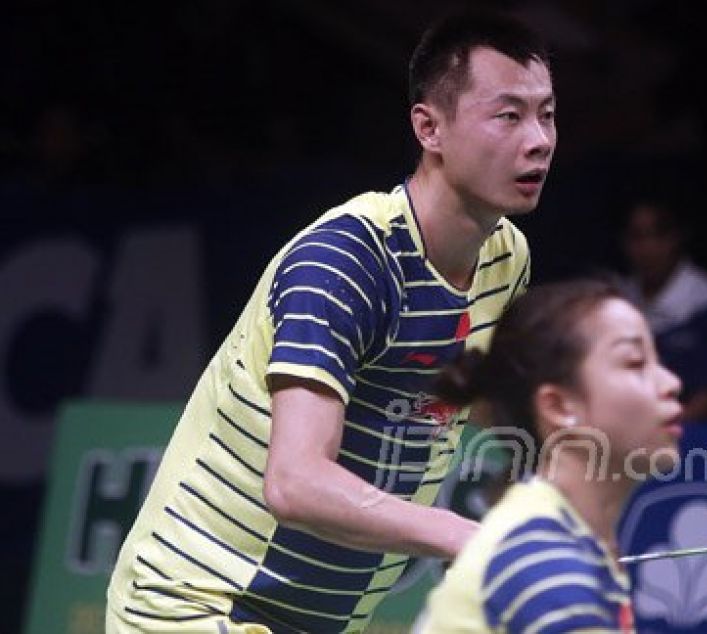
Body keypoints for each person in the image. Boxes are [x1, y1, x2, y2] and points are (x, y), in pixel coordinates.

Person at [106, 11, 555, 633]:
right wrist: (463, 535)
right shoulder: (346, 261)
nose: (538, 140)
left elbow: (468, 409)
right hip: (195, 607)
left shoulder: (506, 261)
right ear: (430, 128)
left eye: (548, 114)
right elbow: (295, 482)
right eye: (508, 116)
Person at [419, 278, 684, 633]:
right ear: (559, 406)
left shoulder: (566, 539)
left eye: (657, 360)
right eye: (634, 362)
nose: (670, 382)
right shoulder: (545, 563)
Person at [619, 198, 707, 421]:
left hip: (694, 437)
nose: (648, 248)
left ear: (678, 237)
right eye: (637, 236)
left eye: (659, 235)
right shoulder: (615, 301)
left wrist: (658, 427)